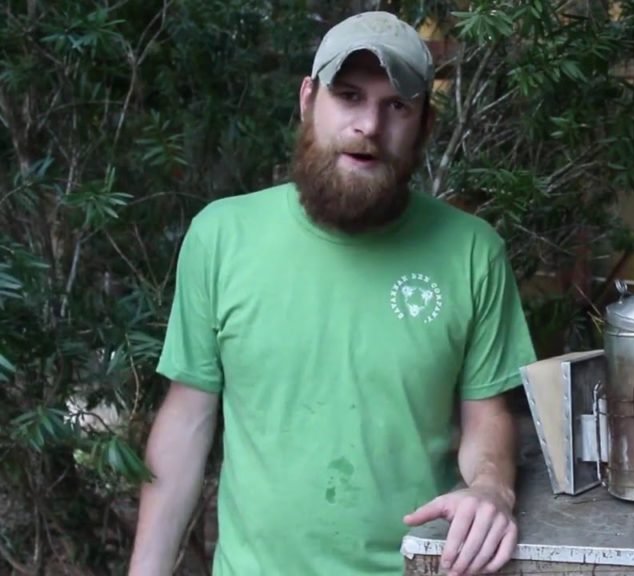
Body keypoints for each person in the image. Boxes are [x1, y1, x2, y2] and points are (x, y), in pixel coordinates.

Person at [127, 11, 537, 576]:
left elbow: (485, 416)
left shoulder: (472, 252)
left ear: (424, 126)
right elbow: (186, 425)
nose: (368, 124)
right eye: (348, 95)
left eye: (396, 106)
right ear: (307, 100)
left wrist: (493, 491)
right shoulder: (221, 236)